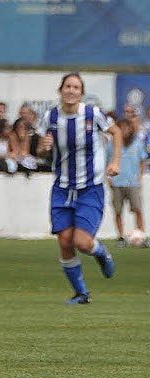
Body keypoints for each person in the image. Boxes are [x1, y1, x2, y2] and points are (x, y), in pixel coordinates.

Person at [36, 73, 121, 304]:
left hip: (89, 187)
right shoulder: (50, 116)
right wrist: (43, 147)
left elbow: (117, 132)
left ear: (81, 93)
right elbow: (40, 149)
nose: (71, 90)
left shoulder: (92, 114)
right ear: (60, 90)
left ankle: (101, 252)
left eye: (76, 87)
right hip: (62, 187)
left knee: (82, 242)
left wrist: (115, 162)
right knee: (64, 241)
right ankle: (82, 293)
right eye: (67, 86)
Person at [107, 118, 147, 248]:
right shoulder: (111, 144)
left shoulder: (137, 143)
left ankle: (140, 235)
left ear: (131, 129)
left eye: (127, 127)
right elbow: (106, 161)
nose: (124, 130)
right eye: (121, 128)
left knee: (137, 209)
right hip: (117, 182)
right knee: (118, 211)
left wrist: (139, 176)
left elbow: (143, 160)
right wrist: (108, 177)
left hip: (132, 182)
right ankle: (120, 237)